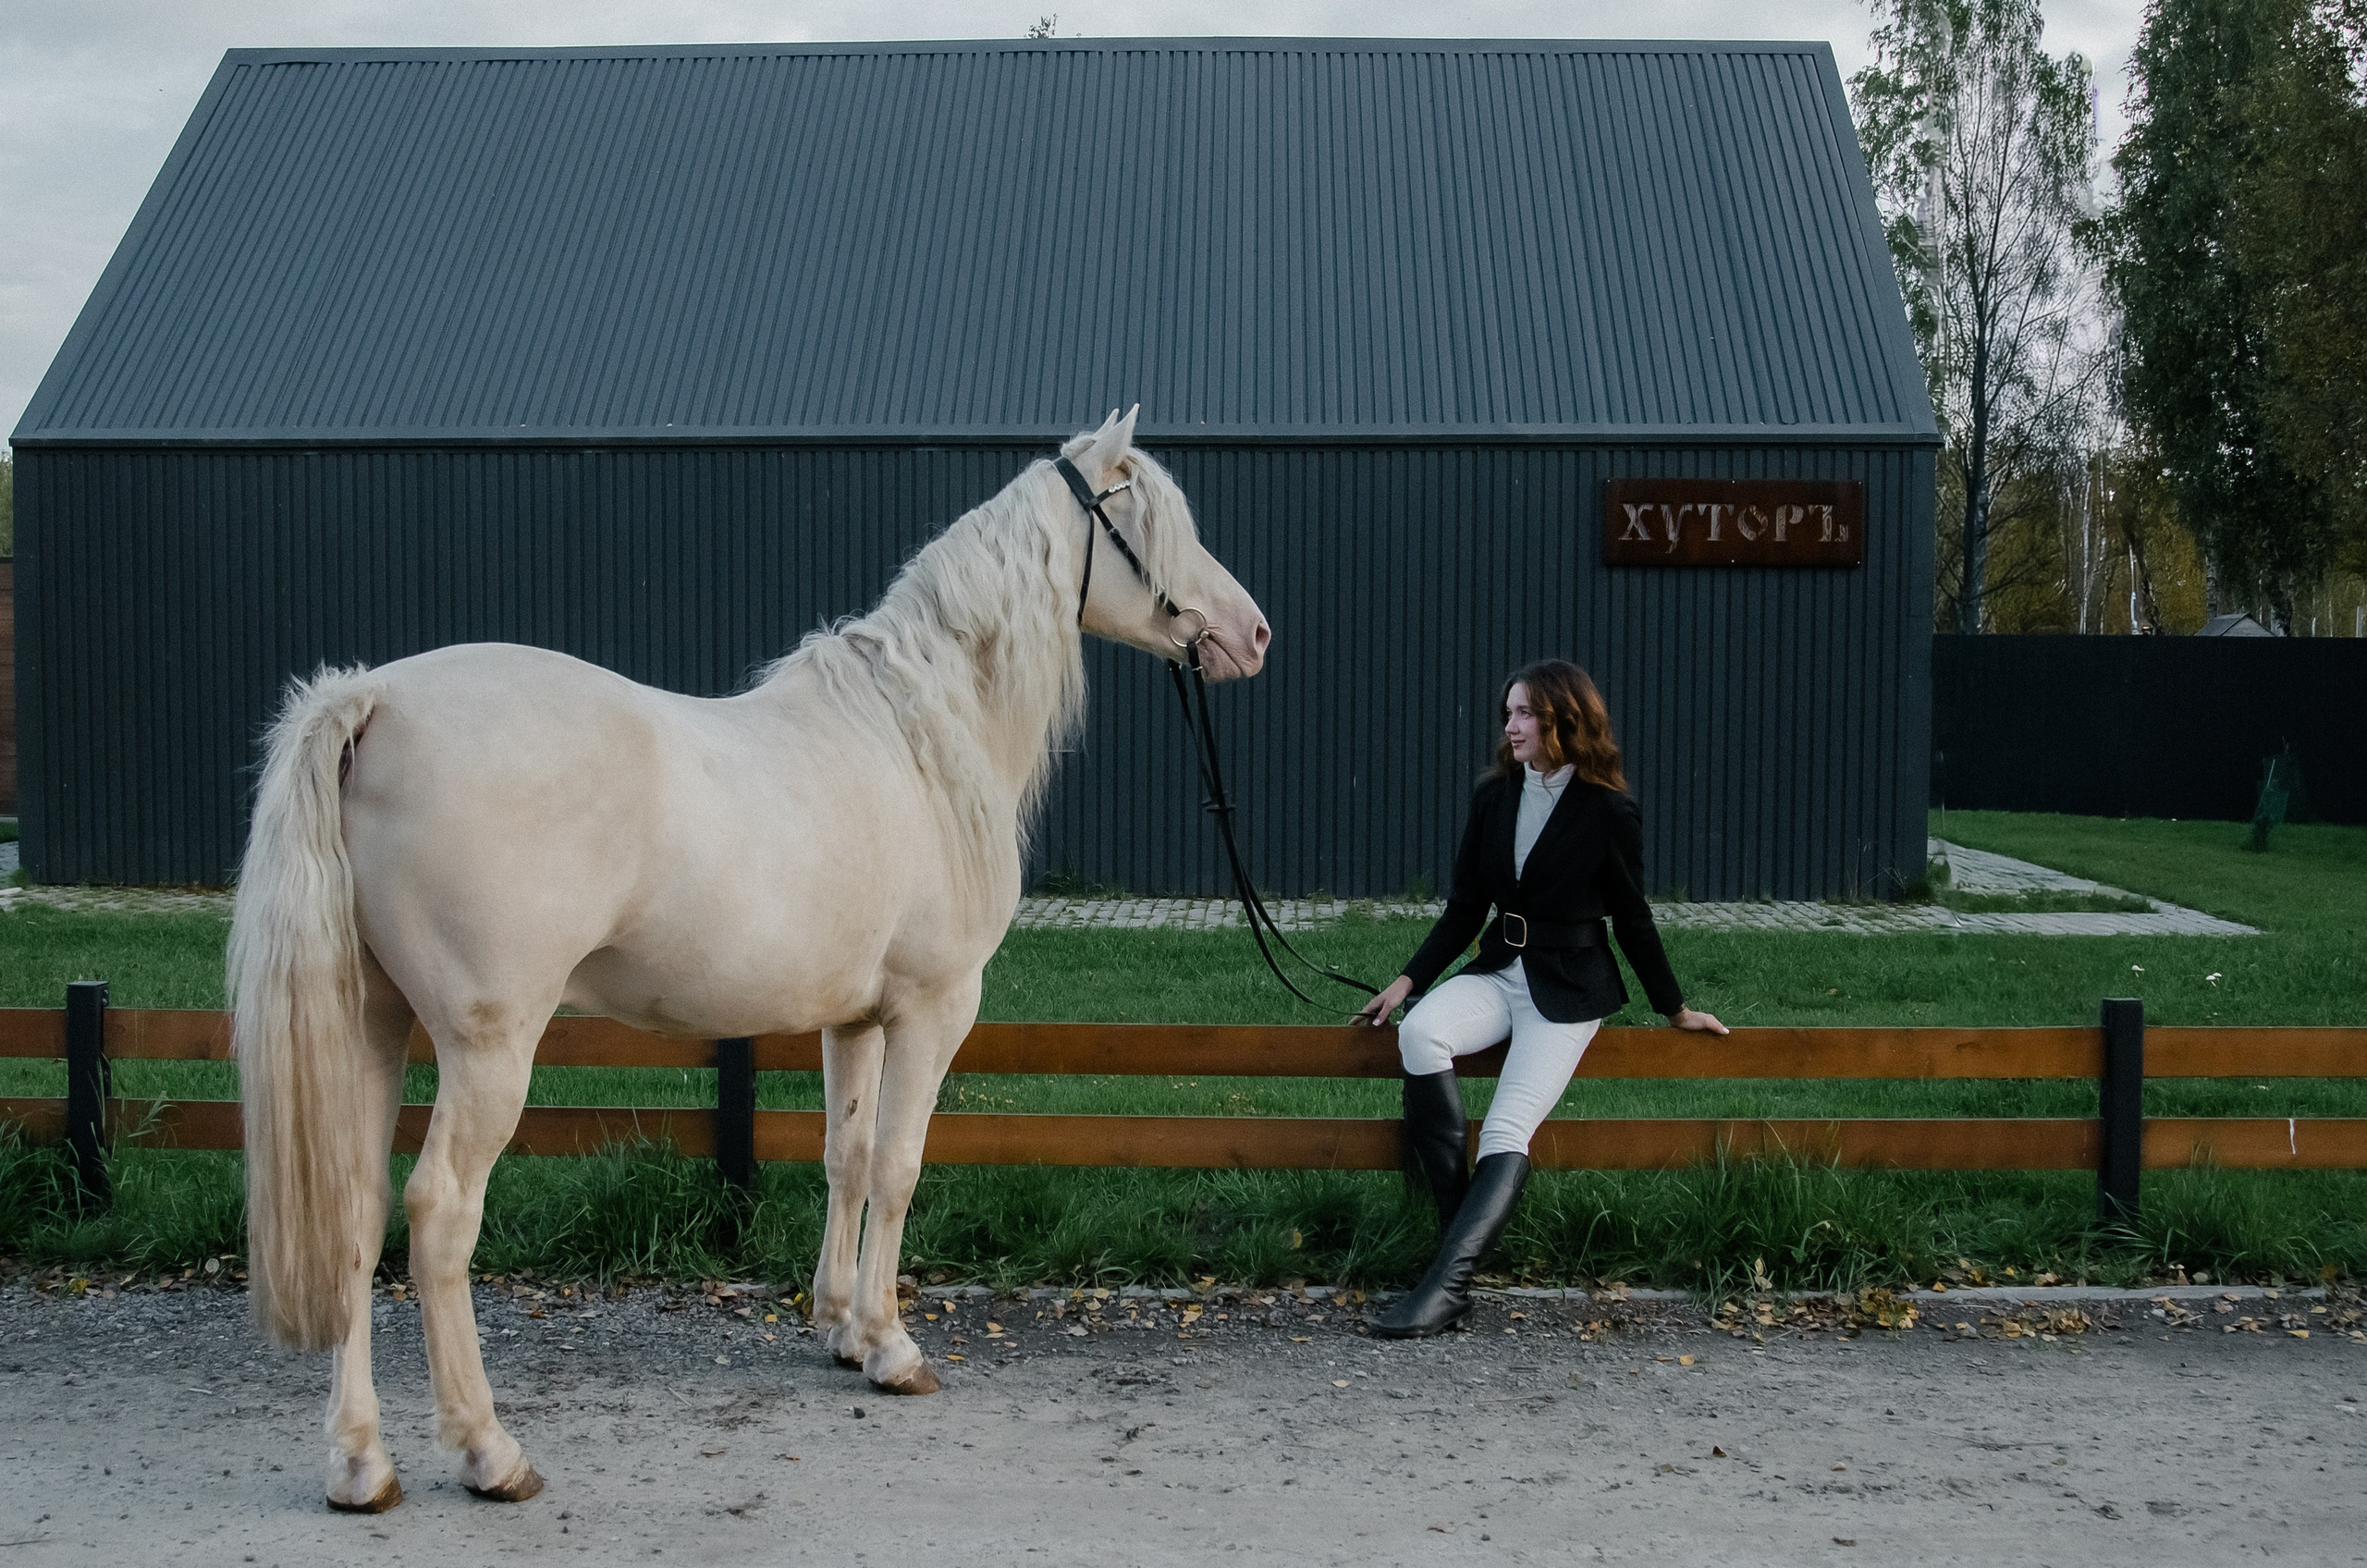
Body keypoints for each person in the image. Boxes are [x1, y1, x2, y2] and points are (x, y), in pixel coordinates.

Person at [1354, 660, 1727, 1338]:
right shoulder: (1494, 796)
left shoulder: (1608, 811)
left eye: (1524, 713)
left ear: (1563, 719)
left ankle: (1445, 1287)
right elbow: (1466, 905)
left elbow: (1633, 918)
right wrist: (1408, 982)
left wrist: (1674, 1007)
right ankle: (1450, 1262)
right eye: (1509, 713)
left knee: (1505, 1130)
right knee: (1420, 1033)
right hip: (1499, 969)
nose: (1510, 726)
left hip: (1570, 989)